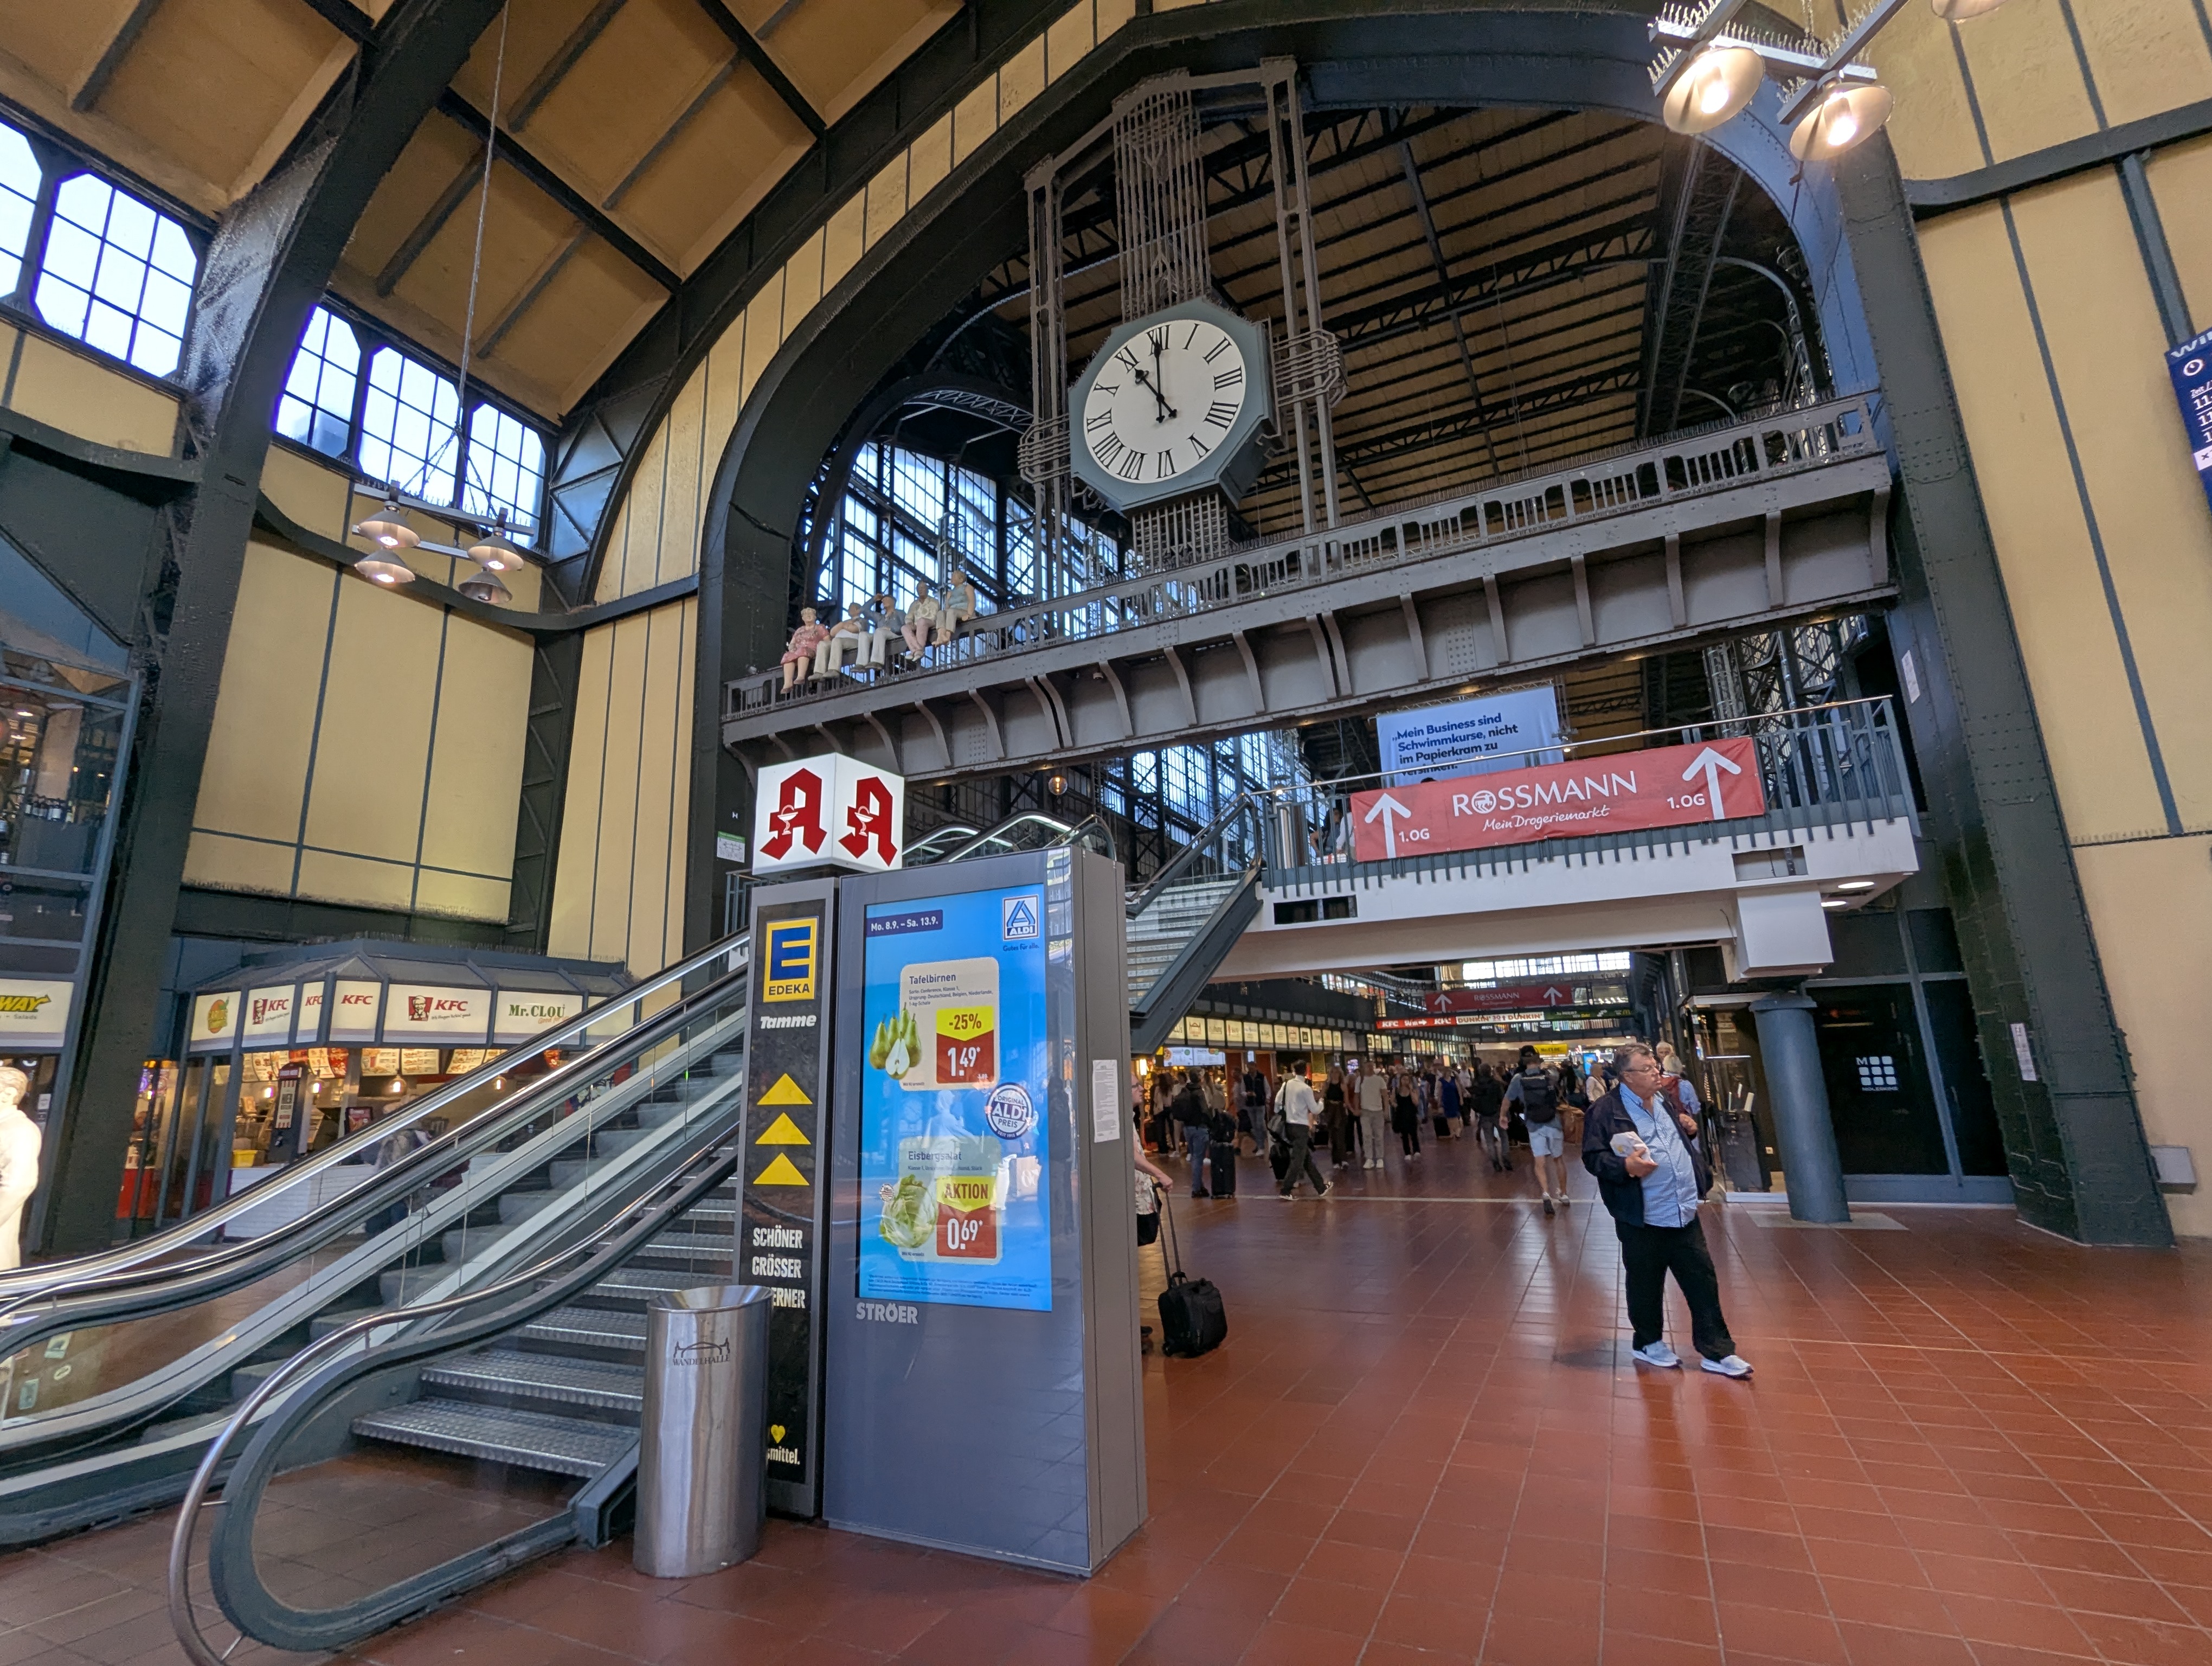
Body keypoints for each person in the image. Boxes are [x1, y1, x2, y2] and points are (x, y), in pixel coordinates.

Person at [1584, 1043, 1751, 1378]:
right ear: (1627, 1077)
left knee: (1702, 1280)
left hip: (1683, 1209)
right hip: (1642, 1215)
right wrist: (1625, 1166)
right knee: (1645, 1281)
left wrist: (1688, 1128)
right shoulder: (1605, 1111)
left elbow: (1675, 1140)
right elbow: (1593, 1157)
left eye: (1655, 1066)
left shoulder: (1663, 1101)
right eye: (1647, 1069)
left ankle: (1716, 1350)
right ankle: (1647, 1342)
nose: (1656, 1073)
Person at [1504, 1046, 1568, 1216]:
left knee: (1539, 1161)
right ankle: (1564, 1194)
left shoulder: (1519, 1078)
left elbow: (1508, 1099)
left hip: (1533, 1123)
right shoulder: (1550, 1075)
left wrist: (1503, 1116)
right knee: (1558, 1159)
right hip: (1553, 1122)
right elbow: (1560, 1094)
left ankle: (1546, 1194)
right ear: (1538, 1059)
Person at [1271, 1061, 1330, 1200]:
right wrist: (1321, 1101)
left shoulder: (1286, 1085)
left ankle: (1321, 1187)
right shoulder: (1306, 1089)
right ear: (1305, 1071)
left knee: (1305, 1158)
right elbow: (1315, 1109)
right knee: (1298, 1160)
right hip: (1301, 1127)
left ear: (1293, 1071)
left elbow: (1277, 1104)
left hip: (1289, 1127)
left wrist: (1283, 1111)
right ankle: (1286, 1190)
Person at [1172, 1071, 1211, 1197]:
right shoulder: (1199, 1092)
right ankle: (1196, 1188)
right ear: (1200, 1078)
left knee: (1195, 1156)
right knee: (1198, 1159)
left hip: (1188, 1128)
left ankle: (1199, 1185)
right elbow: (1205, 1110)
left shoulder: (1185, 1091)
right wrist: (1211, 1124)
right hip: (1199, 1127)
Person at [1470, 1060, 1509, 1170]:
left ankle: (1495, 1162)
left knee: (1489, 1139)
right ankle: (1506, 1158)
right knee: (1504, 1136)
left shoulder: (1476, 1083)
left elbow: (1474, 1101)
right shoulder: (1496, 1083)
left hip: (1484, 1114)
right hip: (1497, 1112)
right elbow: (1502, 1099)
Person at [779, 606, 828, 691]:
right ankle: (788, 683)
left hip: (813, 650)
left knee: (803, 650)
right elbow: (792, 643)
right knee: (787, 655)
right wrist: (792, 649)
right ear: (803, 618)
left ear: (815, 617)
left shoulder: (820, 628)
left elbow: (828, 640)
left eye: (811, 614)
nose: (808, 616)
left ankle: (801, 676)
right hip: (798, 652)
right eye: (806, 615)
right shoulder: (800, 630)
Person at [1355, 1059, 1389, 1170]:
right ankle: (1369, 1158)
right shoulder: (1360, 1080)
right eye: (1368, 1067)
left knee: (1379, 1135)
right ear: (1364, 1068)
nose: (1370, 1068)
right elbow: (1357, 1095)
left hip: (1378, 1111)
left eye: (1371, 1066)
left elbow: (1385, 1096)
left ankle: (1380, 1158)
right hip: (1365, 1111)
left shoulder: (1379, 1080)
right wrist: (1357, 1109)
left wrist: (1386, 1110)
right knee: (1367, 1135)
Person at [936, 563, 979, 644]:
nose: (952, 578)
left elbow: (972, 602)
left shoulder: (967, 588)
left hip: (964, 611)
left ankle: (948, 636)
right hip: (953, 613)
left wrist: (969, 614)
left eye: (954, 577)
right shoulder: (950, 593)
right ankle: (941, 635)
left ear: (961, 579)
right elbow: (947, 608)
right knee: (941, 613)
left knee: (952, 611)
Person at [1323, 1065, 1351, 1169]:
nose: (1335, 1074)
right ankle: (1335, 1161)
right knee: (1333, 1137)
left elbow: (1346, 1101)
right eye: (1333, 1072)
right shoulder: (1327, 1085)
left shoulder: (1343, 1085)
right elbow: (1322, 1096)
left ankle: (1343, 1160)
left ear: (1340, 1074)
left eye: (1337, 1072)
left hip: (1340, 1110)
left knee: (1341, 1136)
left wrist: (1352, 1110)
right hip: (1330, 1111)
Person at [901, 587, 941, 658]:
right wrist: (909, 622)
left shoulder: (934, 601)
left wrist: (921, 621)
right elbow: (909, 616)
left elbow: (934, 616)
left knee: (922, 621)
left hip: (931, 622)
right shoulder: (914, 604)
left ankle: (919, 651)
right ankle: (915, 650)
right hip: (917, 624)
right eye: (919, 589)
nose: (920, 590)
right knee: (904, 628)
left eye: (923, 588)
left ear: (928, 591)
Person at [1392, 1066, 1422, 1158]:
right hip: (1401, 1113)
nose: (1405, 1081)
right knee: (1404, 1134)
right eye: (1403, 1079)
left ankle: (1416, 1150)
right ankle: (1407, 1153)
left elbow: (1416, 1102)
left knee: (1413, 1133)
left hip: (1411, 1113)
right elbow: (1392, 1100)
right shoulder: (1396, 1090)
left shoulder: (1412, 1090)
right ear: (1400, 1080)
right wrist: (1395, 1105)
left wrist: (1412, 1090)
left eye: (1407, 1080)